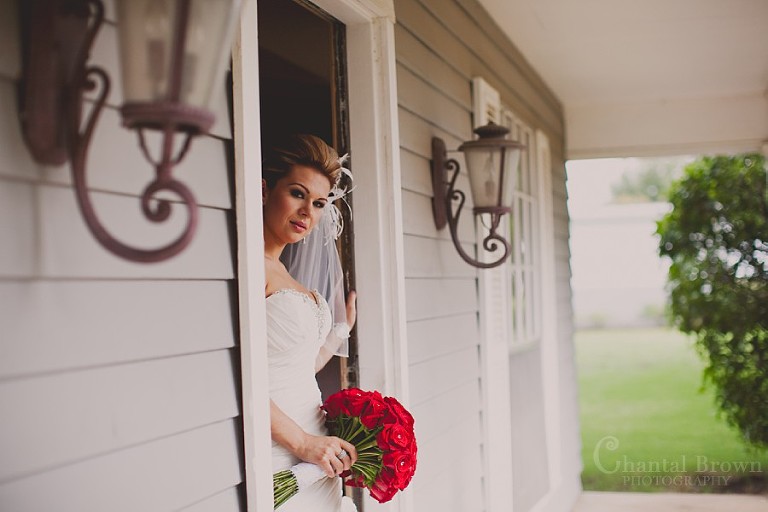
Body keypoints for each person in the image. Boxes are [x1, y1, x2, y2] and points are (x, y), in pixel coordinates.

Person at [263, 134, 358, 511]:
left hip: (317, 456)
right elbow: (241, 379)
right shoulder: (251, 268)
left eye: (318, 203)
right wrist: (301, 443)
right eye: (298, 193)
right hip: (281, 449)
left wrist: (339, 330)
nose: (308, 211)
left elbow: (299, 367)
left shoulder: (284, 273)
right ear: (265, 190)